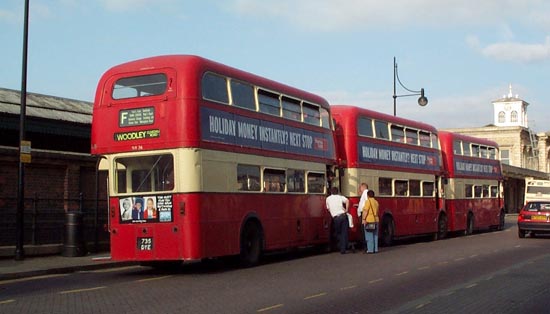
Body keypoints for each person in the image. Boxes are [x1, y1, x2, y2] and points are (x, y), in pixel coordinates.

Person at [326, 186, 350, 254]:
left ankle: (341, 246)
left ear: (331, 192)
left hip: (336, 217)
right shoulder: (340, 197)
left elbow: (328, 208)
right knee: (344, 232)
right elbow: (347, 201)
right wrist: (346, 210)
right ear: (338, 192)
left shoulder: (328, 199)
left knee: (337, 233)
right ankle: (343, 248)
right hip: (343, 215)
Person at [356, 183, 369, 250]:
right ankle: (365, 246)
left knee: (364, 230)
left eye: (360, 188)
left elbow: (367, 202)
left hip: (364, 213)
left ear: (363, 187)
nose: (359, 189)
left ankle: (366, 246)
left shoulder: (366, 192)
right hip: (363, 212)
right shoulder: (364, 193)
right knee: (364, 230)